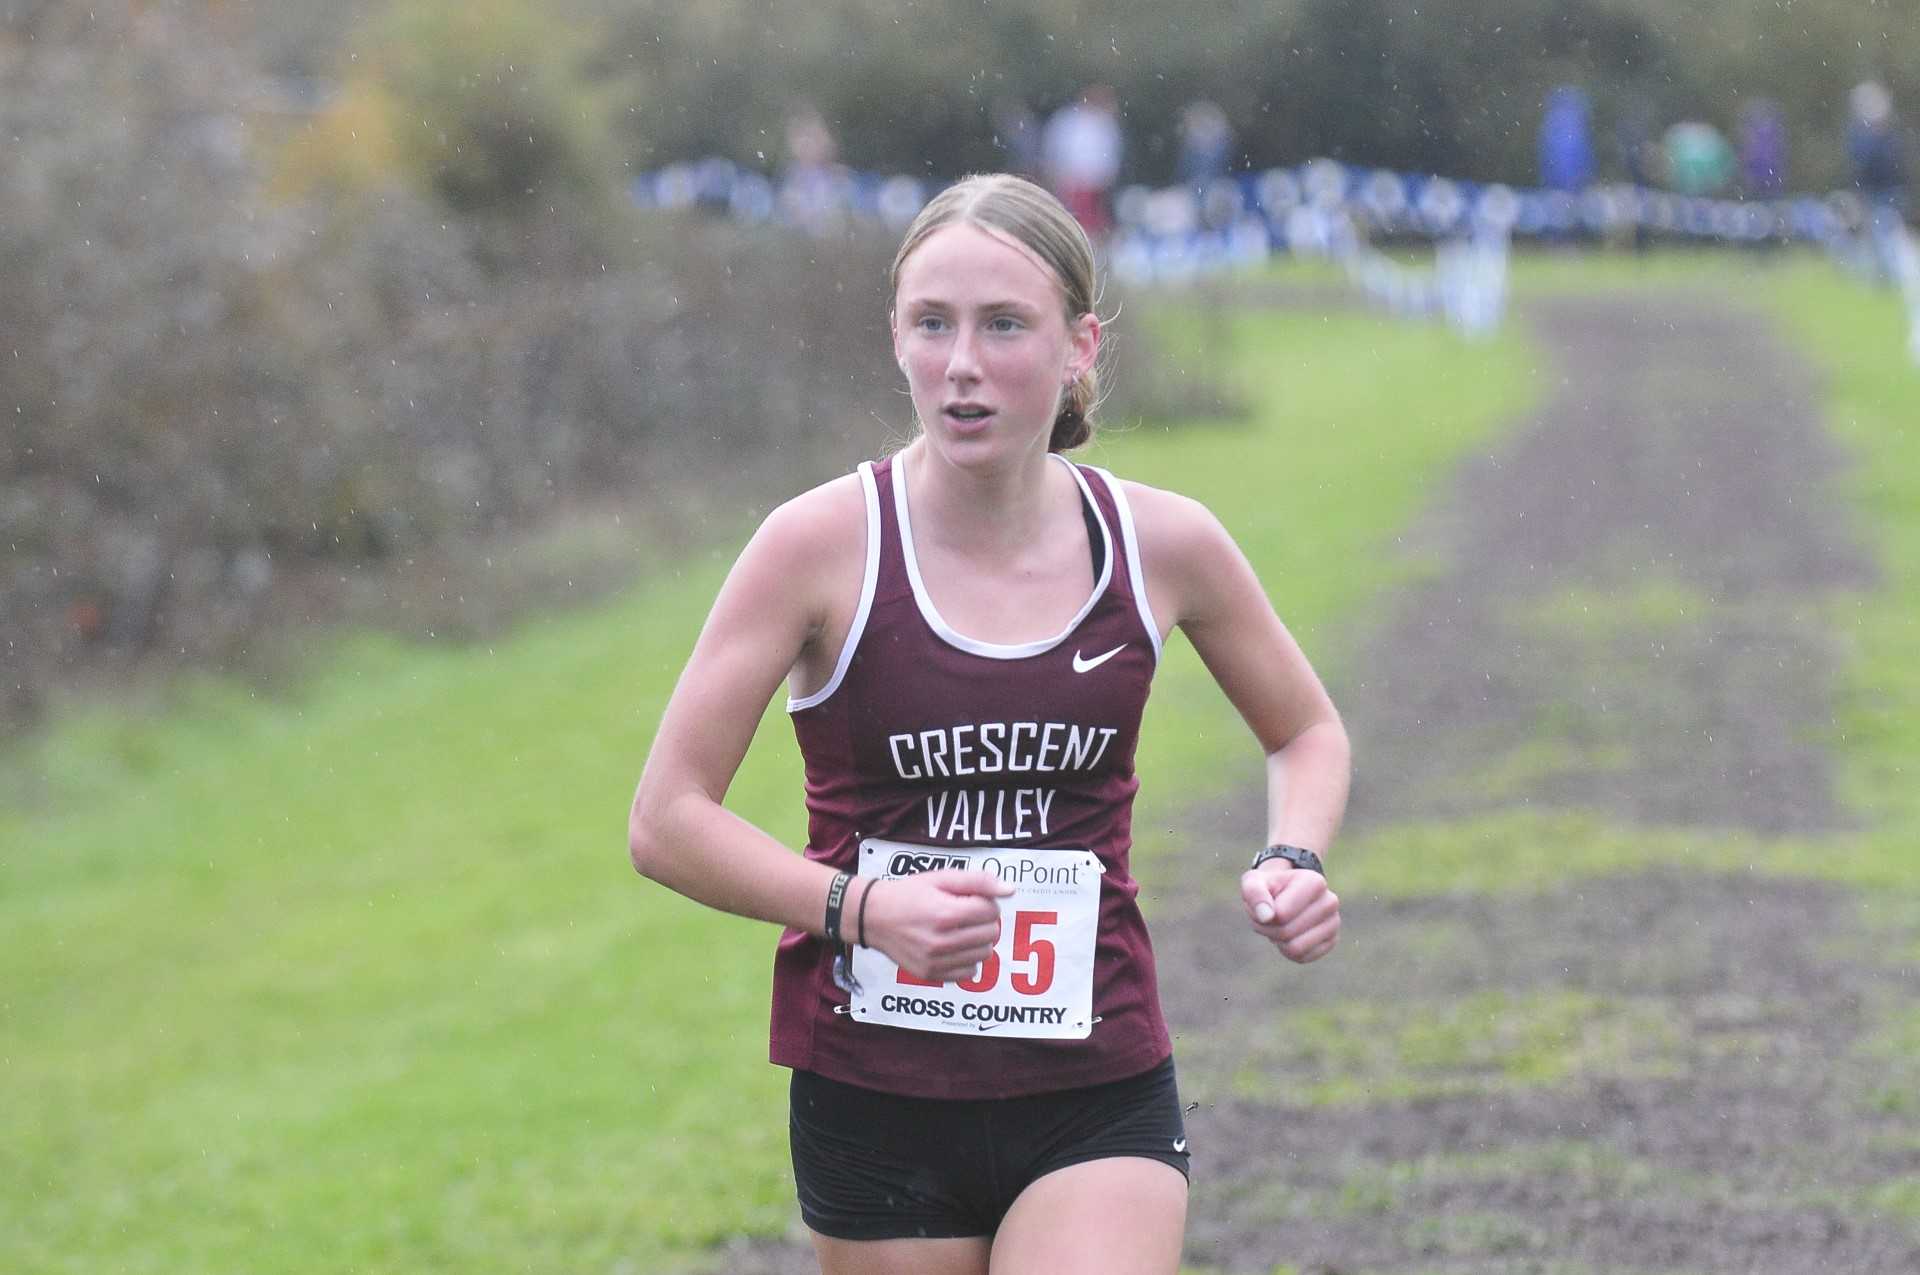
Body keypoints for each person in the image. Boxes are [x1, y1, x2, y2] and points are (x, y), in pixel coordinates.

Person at [627, 173, 1349, 1275]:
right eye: (933, 324)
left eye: (1004, 324)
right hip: (877, 1089)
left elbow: (1306, 732)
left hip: (1096, 1080)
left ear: (1078, 347)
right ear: (897, 340)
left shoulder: (1164, 544)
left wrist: (1295, 854)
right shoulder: (817, 546)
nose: (962, 364)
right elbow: (667, 819)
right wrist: (864, 909)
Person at [1042, 86, 1125, 238]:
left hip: (1096, 180)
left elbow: (1110, 152)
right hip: (1075, 179)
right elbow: (1059, 150)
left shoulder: (1104, 122)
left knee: (1095, 218)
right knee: (1080, 216)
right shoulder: (1070, 121)